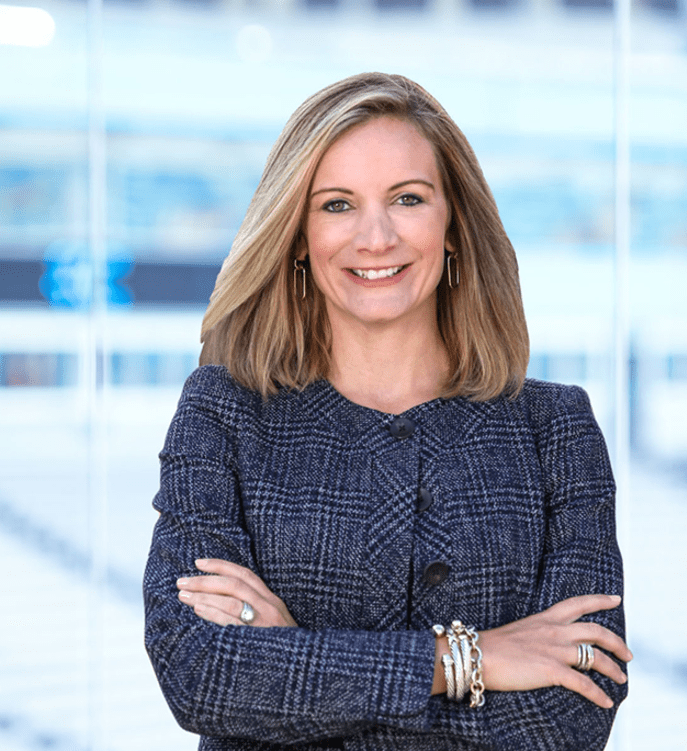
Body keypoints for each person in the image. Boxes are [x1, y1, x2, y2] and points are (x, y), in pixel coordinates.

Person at [144, 72, 631, 751]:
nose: (375, 237)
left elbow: (573, 716)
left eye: (407, 198)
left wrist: (299, 658)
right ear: (297, 237)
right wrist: (470, 659)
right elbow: (201, 675)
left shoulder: (555, 430)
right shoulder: (223, 413)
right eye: (337, 205)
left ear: (454, 223)